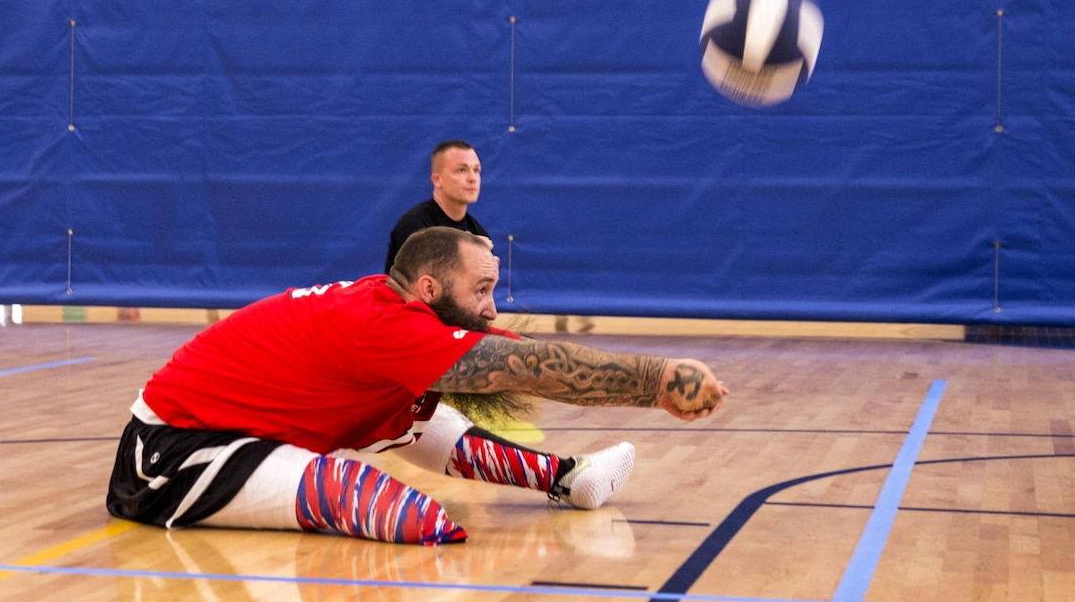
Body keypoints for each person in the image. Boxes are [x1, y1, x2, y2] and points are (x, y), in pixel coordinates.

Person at [106, 227, 728, 546]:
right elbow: (536, 368)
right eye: (480, 290)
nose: (491, 308)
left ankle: (568, 476)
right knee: (410, 516)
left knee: (418, 413)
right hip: (171, 454)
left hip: (242, 435)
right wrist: (655, 380)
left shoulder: (399, 317)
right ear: (428, 289)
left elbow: (527, 357)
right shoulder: (383, 324)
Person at [384, 140, 491, 274]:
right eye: (462, 170)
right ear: (437, 179)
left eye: (476, 170)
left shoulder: (478, 232)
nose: (473, 178)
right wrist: (470, 251)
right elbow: (423, 283)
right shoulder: (415, 225)